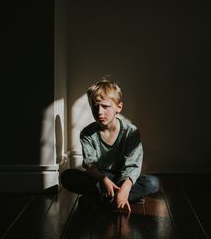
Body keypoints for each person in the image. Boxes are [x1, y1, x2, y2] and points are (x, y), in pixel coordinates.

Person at [61, 76, 160, 212]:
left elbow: (133, 166)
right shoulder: (87, 133)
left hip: (122, 177)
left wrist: (125, 188)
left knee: (153, 183)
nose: (99, 112)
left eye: (105, 106)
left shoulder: (131, 132)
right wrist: (104, 180)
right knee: (67, 176)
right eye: (95, 107)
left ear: (118, 107)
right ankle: (119, 198)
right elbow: (90, 165)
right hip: (99, 178)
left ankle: (105, 198)